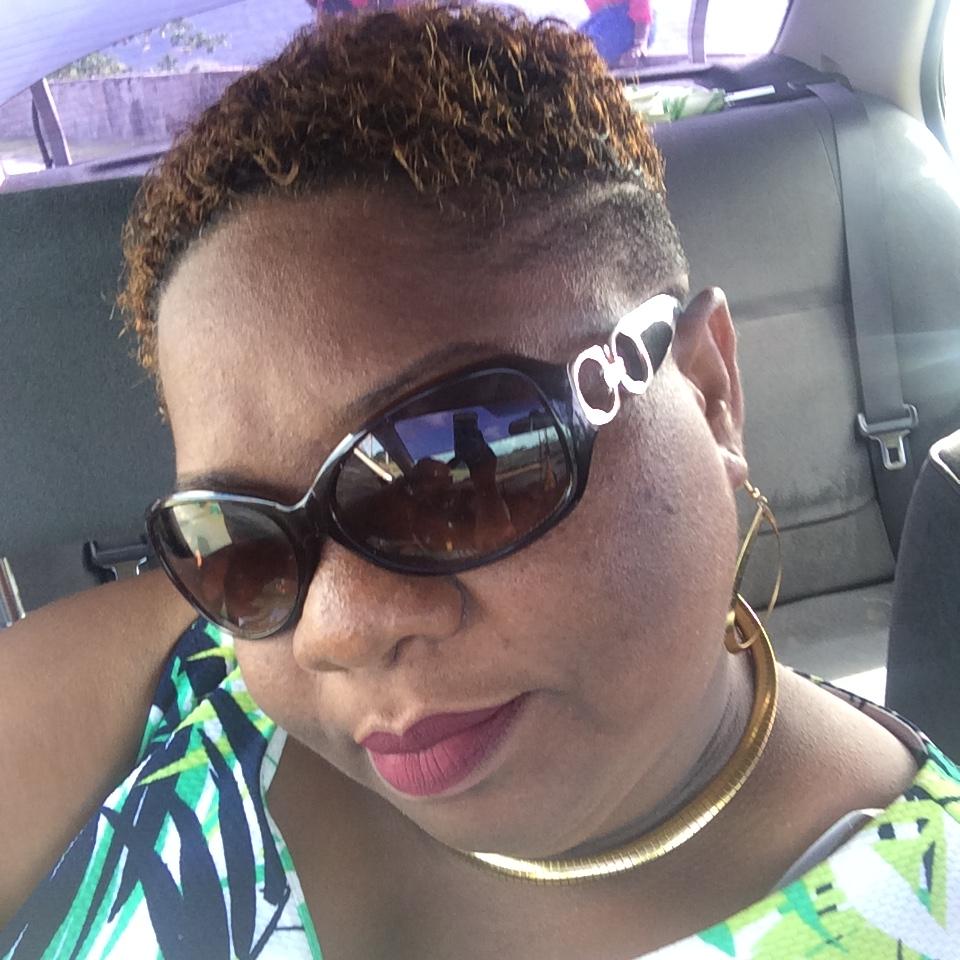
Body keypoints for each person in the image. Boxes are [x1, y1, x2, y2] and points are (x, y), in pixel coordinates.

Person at [2, 6, 960, 959]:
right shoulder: (162, 681)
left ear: (708, 395)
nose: (336, 630)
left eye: (459, 472)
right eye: (241, 546)